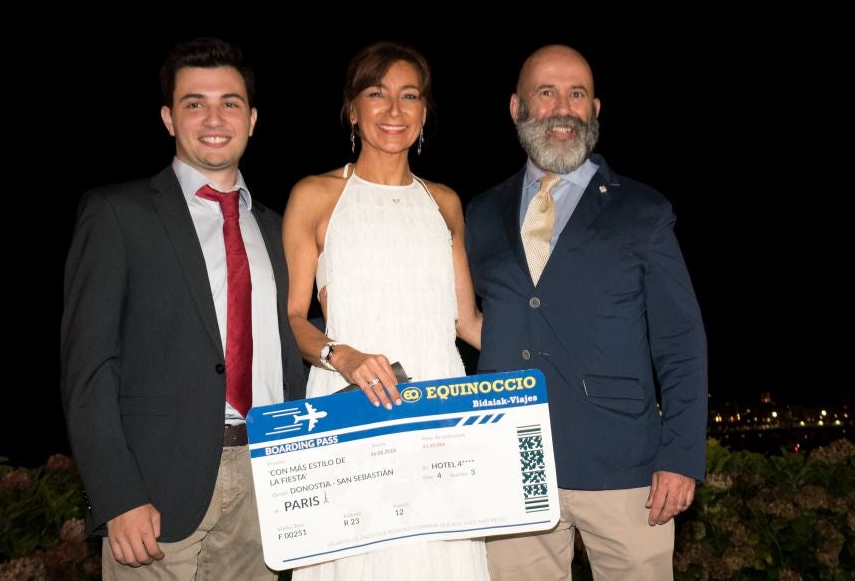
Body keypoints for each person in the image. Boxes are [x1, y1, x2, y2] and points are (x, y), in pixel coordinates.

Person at [60, 37, 305, 580]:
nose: (214, 118)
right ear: (169, 118)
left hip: (268, 487)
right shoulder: (116, 213)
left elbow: (294, 351)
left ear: (252, 119)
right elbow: (88, 368)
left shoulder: (278, 228)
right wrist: (116, 494)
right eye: (195, 103)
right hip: (155, 492)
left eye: (230, 103)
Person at [465, 44, 708, 580]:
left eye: (576, 94)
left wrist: (681, 456)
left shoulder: (642, 210)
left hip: (625, 469)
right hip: (512, 465)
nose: (562, 108)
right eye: (546, 93)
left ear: (595, 110)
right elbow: (461, 318)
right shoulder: (479, 214)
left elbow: (681, 344)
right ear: (517, 108)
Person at [282, 41, 489, 580]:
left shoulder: (444, 202)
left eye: (409, 96)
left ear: (425, 111)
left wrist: (555, 363)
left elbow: (466, 322)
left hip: (439, 413)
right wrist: (341, 355)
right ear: (352, 110)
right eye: (377, 94)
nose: (394, 110)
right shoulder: (315, 195)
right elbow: (293, 319)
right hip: (350, 404)